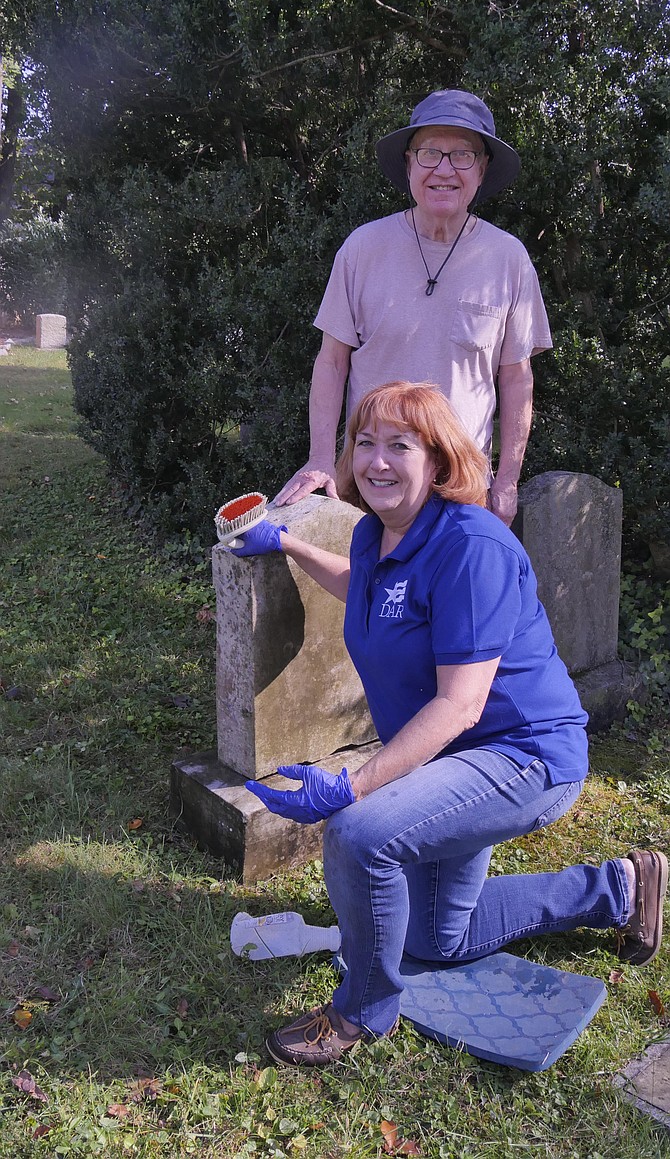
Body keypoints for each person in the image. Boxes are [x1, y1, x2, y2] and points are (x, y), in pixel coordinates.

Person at [234, 381, 667, 1067]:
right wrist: (286, 540)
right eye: (365, 442)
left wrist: (353, 783)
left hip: (523, 755)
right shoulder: (381, 530)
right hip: (457, 758)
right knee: (438, 937)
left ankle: (361, 1011)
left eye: (399, 445)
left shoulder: (471, 547)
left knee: (359, 835)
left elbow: (461, 704)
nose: (377, 461)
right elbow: (367, 582)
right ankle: (620, 888)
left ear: (437, 461)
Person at [274, 89, 553, 526]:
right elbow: (331, 363)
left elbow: (516, 377)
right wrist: (320, 460)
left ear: (481, 170)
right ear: (408, 164)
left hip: (461, 487)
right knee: (363, 591)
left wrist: (507, 482)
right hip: (370, 483)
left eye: (462, 155)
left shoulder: (508, 259)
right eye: (429, 153)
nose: (444, 169)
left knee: (456, 595)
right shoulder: (362, 249)